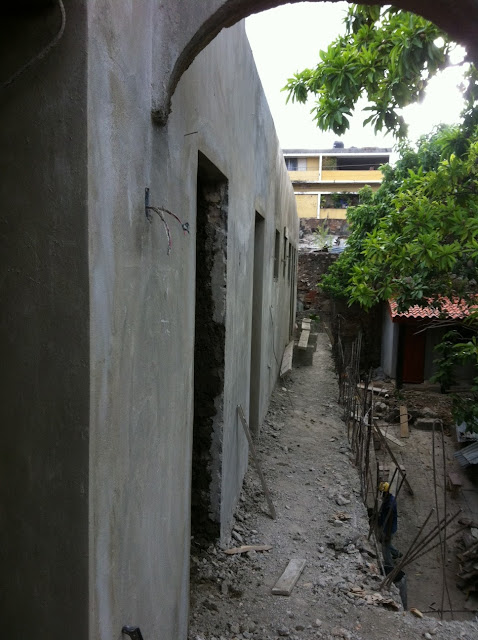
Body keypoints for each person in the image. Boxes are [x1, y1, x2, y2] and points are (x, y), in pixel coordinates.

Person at [378, 481, 402, 569]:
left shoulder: (390, 505)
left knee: (385, 547)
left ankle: (389, 565)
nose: (380, 494)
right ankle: (396, 553)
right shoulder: (388, 499)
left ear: (385, 492)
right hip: (387, 526)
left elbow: (390, 520)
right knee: (386, 543)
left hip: (389, 529)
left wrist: (387, 534)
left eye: (381, 492)